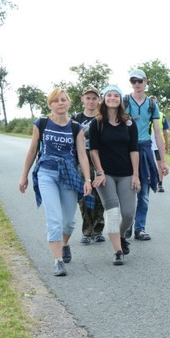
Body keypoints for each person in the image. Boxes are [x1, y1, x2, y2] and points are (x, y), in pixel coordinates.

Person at [18, 88, 92, 276]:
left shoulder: (76, 128)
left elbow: (82, 156)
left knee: (68, 222)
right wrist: (24, 176)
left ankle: (65, 243)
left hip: (68, 175)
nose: (60, 103)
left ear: (69, 103)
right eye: (56, 100)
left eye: (63, 100)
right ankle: (58, 261)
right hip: (46, 173)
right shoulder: (42, 123)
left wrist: (88, 179)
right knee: (54, 220)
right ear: (50, 104)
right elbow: (32, 151)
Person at [88, 85, 140, 265]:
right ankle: (118, 251)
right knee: (113, 213)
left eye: (115, 95)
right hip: (106, 175)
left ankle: (120, 236)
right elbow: (93, 151)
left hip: (126, 174)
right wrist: (100, 172)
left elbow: (134, 150)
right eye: (109, 95)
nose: (112, 98)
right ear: (104, 99)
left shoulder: (129, 123)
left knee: (128, 214)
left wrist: (135, 175)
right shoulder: (97, 123)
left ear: (120, 100)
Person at [123, 69, 168, 241]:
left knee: (144, 192)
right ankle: (126, 226)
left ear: (145, 81)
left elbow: (158, 133)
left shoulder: (152, 105)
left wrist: (162, 161)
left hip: (144, 148)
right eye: (133, 81)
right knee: (127, 191)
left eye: (139, 80)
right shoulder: (125, 101)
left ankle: (140, 228)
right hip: (126, 149)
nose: (137, 84)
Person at [73, 85, 106, 244]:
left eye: (94, 98)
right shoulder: (76, 119)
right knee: (85, 194)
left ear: (99, 100)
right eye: (88, 98)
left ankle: (98, 229)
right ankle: (87, 231)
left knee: (100, 194)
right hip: (81, 157)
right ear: (82, 99)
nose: (91, 101)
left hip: (100, 157)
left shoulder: (103, 118)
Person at [149, 96, 170, 193]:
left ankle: (160, 183)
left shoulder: (161, 115)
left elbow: (165, 132)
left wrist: (166, 144)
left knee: (160, 163)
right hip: (147, 142)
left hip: (158, 143)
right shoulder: (146, 114)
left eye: (155, 102)